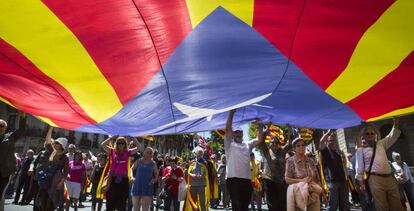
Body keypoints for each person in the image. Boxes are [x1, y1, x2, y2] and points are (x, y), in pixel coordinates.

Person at [355, 117, 404, 211]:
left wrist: (395, 123)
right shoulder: (361, 150)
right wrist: (361, 184)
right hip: (375, 179)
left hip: (390, 178)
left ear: (375, 135)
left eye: (371, 133)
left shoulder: (381, 144)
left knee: (396, 205)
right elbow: (359, 168)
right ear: (363, 136)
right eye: (367, 133)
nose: (370, 135)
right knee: (382, 207)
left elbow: (391, 136)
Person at [224, 109, 264, 211]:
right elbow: (228, 129)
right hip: (233, 179)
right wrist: (231, 113)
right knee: (237, 206)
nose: (238, 134)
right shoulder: (229, 144)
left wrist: (259, 125)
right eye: (236, 132)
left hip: (246, 180)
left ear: (242, 134)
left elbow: (259, 139)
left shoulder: (248, 145)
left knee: (244, 206)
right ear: (233, 134)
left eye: (240, 132)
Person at [101, 136, 140, 211]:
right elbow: (103, 145)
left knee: (122, 203)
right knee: (110, 202)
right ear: (116, 144)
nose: (121, 144)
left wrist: (133, 138)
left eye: (123, 143)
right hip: (112, 179)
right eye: (119, 143)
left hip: (123, 180)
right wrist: (112, 138)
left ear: (125, 144)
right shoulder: (112, 151)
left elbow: (138, 147)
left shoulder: (128, 152)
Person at [285, 138, 322, 211]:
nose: (301, 147)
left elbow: (317, 178)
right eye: (298, 146)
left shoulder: (311, 160)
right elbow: (287, 180)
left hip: (313, 194)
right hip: (298, 195)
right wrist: (302, 180)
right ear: (294, 149)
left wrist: (321, 191)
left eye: (303, 145)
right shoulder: (290, 161)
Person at [0, 112, 26, 206]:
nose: (0, 127)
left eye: (1, 125)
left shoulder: (10, 137)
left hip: (4, 172)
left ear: (5, 128)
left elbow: (21, 130)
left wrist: (23, 117)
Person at [319, 130, 349, 211]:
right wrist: (328, 132)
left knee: (345, 205)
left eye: (334, 140)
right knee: (333, 206)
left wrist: (346, 177)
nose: (332, 142)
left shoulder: (338, 152)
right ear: (326, 142)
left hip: (342, 181)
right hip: (332, 182)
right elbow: (321, 142)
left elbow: (344, 166)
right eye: (330, 140)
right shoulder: (325, 151)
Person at [260, 135, 291, 211]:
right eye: (272, 142)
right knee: (272, 203)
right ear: (269, 143)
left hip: (281, 181)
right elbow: (261, 140)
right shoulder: (266, 151)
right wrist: (265, 131)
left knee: (282, 203)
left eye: (276, 142)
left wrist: (290, 130)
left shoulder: (282, 151)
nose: (274, 144)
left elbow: (290, 143)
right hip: (269, 180)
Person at [46, 129, 69, 211]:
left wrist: (61, 183)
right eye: (55, 142)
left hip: (57, 177)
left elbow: (66, 172)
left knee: (52, 195)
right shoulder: (52, 152)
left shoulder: (65, 157)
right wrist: (50, 129)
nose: (54, 144)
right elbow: (48, 142)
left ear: (61, 145)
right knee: (45, 194)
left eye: (57, 143)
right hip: (48, 175)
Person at [185, 146, 208, 211]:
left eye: (201, 153)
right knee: (193, 202)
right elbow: (188, 172)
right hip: (193, 185)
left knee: (202, 202)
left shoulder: (204, 162)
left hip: (201, 185)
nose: (199, 154)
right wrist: (192, 175)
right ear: (195, 153)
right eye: (198, 152)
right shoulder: (192, 162)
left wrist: (201, 176)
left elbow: (206, 173)